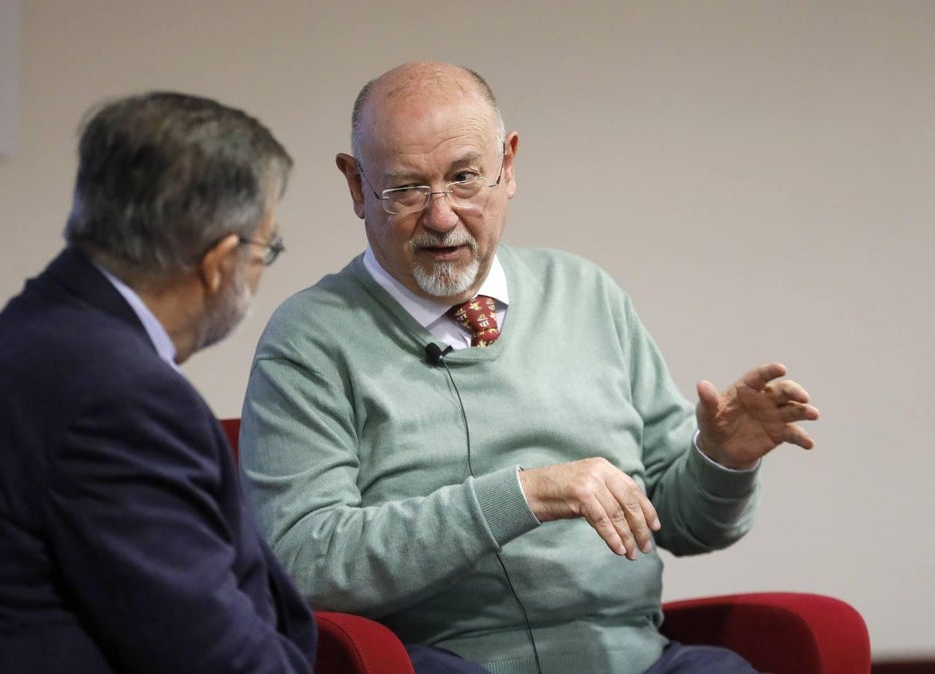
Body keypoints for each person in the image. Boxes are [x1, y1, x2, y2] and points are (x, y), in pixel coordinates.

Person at [239, 62, 819, 674]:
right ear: (356, 187)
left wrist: (721, 459)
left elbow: (683, 524)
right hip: (446, 661)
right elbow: (298, 562)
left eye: (465, 179)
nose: (441, 217)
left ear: (507, 166)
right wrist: (524, 494)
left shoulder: (586, 294)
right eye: (406, 189)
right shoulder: (310, 338)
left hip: (635, 659)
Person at [0, 92, 316, 673]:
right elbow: (216, 658)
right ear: (219, 262)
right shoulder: (115, 396)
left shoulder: (48, 330)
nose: (262, 267)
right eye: (266, 247)